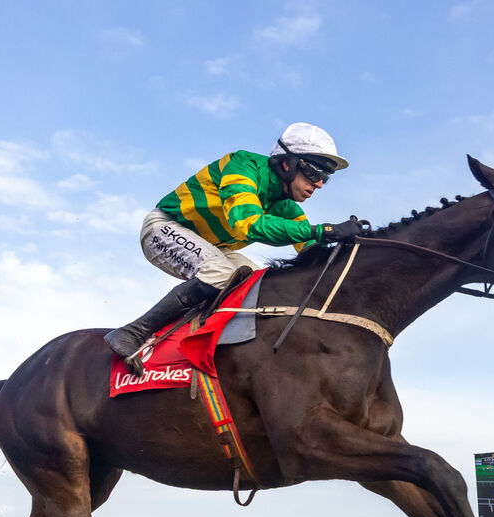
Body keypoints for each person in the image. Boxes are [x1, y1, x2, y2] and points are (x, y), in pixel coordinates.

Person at [104, 122, 367, 374]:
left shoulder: (289, 210)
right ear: (287, 164)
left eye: (326, 178)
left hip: (212, 247)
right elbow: (247, 224)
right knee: (220, 272)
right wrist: (325, 231)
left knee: (260, 287)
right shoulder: (242, 165)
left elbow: (311, 256)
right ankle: (133, 332)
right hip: (164, 227)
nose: (319, 184)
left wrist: (348, 249)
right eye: (314, 173)